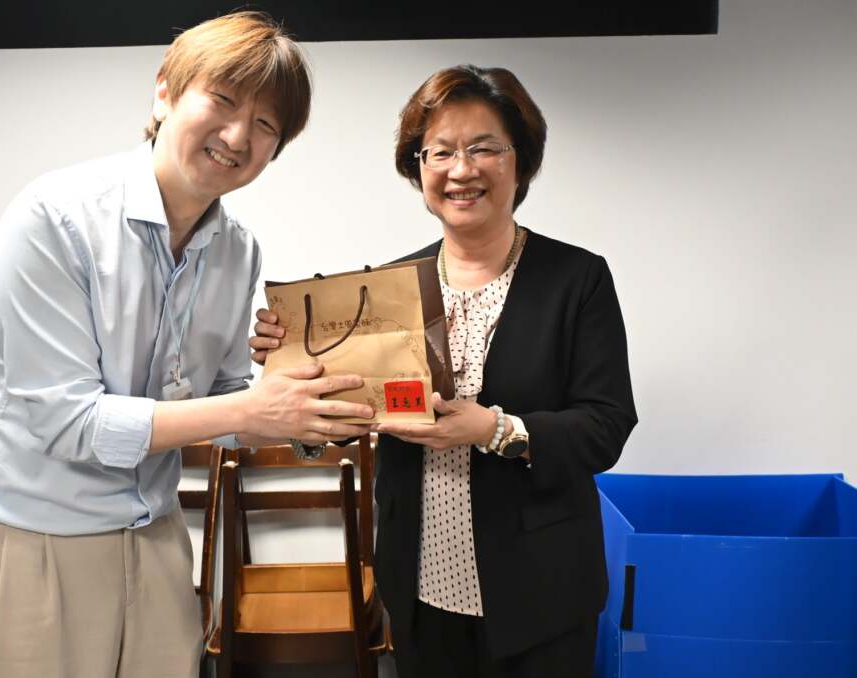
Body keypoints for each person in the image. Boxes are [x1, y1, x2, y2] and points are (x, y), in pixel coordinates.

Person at [0, 11, 374, 678]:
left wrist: (287, 389)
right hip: (35, 539)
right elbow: (67, 421)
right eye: (223, 100)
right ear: (164, 93)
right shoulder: (54, 218)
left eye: (266, 124)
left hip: (156, 533)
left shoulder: (237, 249)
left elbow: (223, 400)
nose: (238, 136)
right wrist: (249, 409)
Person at [251, 64, 637, 677]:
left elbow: (606, 424)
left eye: (484, 148)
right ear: (419, 167)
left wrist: (493, 429)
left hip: (542, 590)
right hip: (421, 585)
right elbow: (348, 418)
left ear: (521, 161)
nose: (462, 169)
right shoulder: (389, 286)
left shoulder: (577, 278)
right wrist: (293, 372)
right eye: (441, 151)